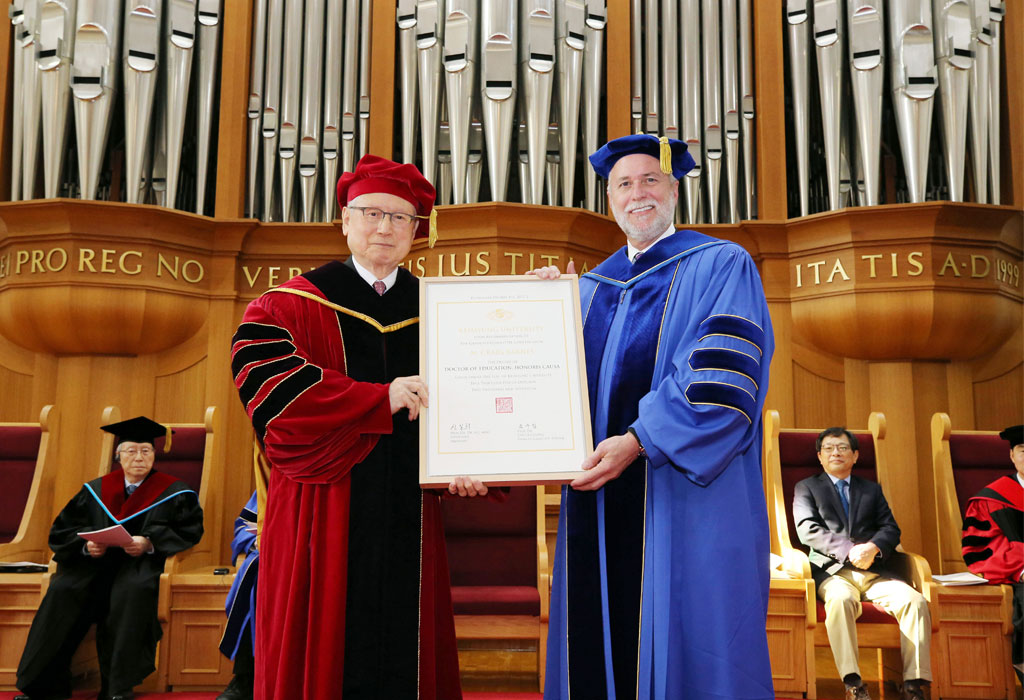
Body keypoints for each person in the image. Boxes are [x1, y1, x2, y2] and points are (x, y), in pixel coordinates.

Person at [231, 154, 484, 700]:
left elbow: (477, 394)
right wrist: (379, 398)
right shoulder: (287, 306)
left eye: (400, 218)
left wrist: (476, 463)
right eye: (371, 213)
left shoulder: (444, 310)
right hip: (322, 512)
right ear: (345, 219)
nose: (385, 227)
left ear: (418, 231)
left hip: (412, 512)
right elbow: (273, 399)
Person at [535, 134, 775, 700]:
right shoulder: (590, 287)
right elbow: (555, 390)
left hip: (686, 498)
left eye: (650, 180)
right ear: (609, 200)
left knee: (692, 635)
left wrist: (640, 440)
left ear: (674, 189)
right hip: (596, 497)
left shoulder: (721, 263)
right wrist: (542, 315)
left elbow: (721, 379)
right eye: (623, 184)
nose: (637, 193)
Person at [15, 416, 204, 700]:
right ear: (118, 456)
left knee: (132, 591)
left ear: (154, 455)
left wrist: (149, 542)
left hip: (139, 565)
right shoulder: (96, 490)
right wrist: (86, 546)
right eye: (131, 451)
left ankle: (117, 688)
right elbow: (61, 530)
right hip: (93, 564)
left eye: (146, 451)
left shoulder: (175, 492)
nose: (138, 458)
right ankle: (43, 686)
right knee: (63, 590)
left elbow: (190, 530)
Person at [793, 427, 931, 700]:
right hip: (832, 572)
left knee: (915, 602)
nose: (836, 453)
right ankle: (854, 683)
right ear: (820, 456)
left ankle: (915, 684)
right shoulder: (807, 487)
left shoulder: (871, 489)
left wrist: (873, 548)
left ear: (855, 456)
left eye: (843, 448)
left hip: (874, 571)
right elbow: (807, 530)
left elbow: (891, 528)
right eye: (829, 448)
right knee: (841, 601)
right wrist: (850, 550)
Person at [961, 424, 1023, 680]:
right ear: (1011, 456)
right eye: (1022, 450)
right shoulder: (992, 498)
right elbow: (980, 551)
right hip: (1018, 575)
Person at [216, 492, 259, 700]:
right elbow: (244, 525)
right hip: (272, 560)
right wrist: (256, 540)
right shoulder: (275, 478)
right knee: (253, 584)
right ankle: (245, 678)